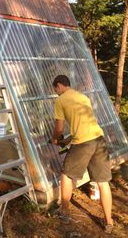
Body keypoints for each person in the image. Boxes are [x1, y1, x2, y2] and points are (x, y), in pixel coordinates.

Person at [52, 75, 113, 233]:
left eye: (56, 89)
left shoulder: (60, 100)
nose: (56, 93)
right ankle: (109, 221)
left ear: (59, 85)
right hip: (99, 139)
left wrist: (55, 139)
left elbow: (59, 128)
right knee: (102, 182)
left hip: (83, 144)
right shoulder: (82, 96)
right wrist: (67, 140)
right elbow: (84, 123)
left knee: (66, 175)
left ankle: (64, 213)